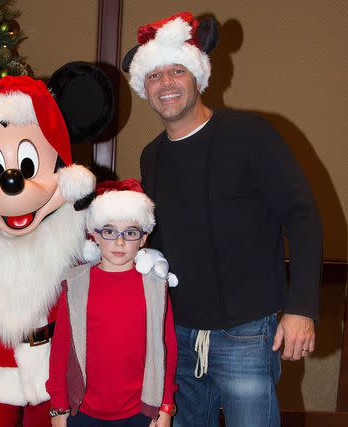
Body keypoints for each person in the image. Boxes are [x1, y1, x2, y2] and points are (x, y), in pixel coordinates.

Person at [122, 11, 323, 427]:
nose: (166, 84)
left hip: (247, 333)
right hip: (176, 333)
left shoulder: (250, 134)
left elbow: (302, 217)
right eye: (155, 75)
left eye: (177, 71)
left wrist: (301, 307)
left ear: (198, 77)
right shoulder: (152, 156)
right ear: (144, 86)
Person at [46, 178, 178, 427]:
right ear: (95, 234)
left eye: (130, 233)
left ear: (143, 238)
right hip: (82, 412)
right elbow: (61, 349)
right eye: (109, 231)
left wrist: (165, 407)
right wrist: (58, 408)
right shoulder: (75, 284)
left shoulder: (156, 287)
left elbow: (167, 349)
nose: (119, 242)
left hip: (141, 411)